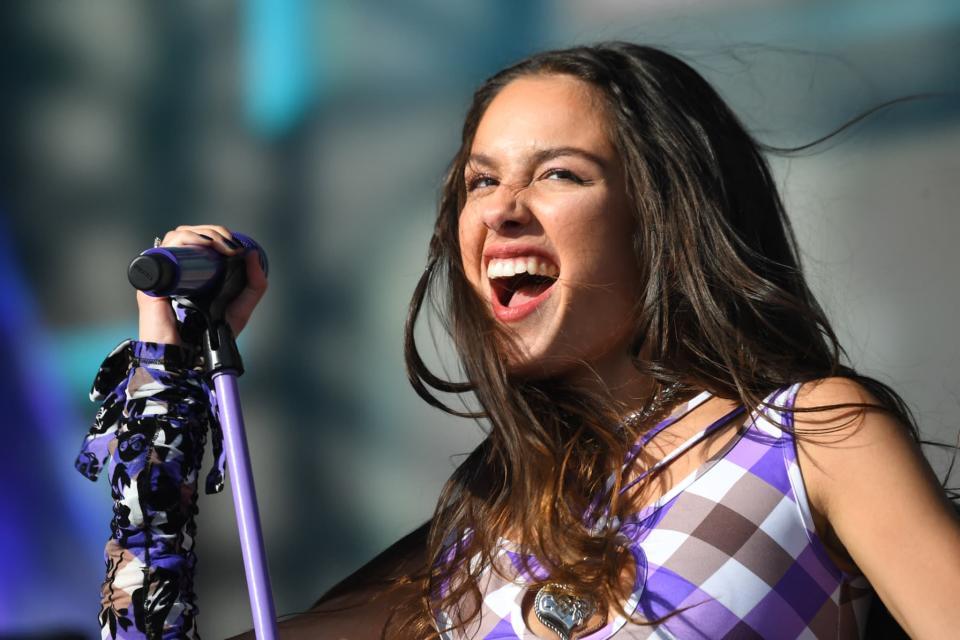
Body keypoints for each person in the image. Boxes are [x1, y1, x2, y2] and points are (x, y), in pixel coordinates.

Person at [78, 42, 960, 639]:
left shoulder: (810, 436)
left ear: (662, 219)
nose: (500, 209)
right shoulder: (482, 525)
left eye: (560, 174)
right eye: (480, 181)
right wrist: (169, 387)